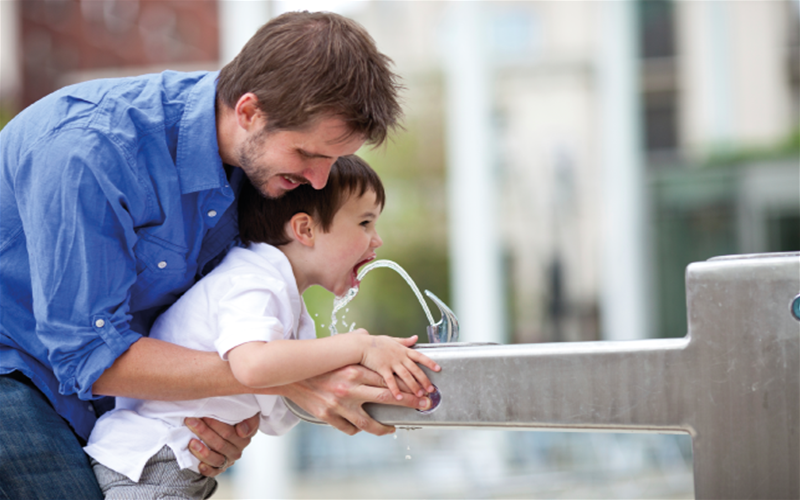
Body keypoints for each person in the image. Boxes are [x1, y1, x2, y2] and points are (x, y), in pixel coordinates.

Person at [0, 11, 435, 500]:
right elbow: (91, 357)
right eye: (308, 155)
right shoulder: (88, 151)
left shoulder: (257, 170)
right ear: (249, 112)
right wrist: (288, 376)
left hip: (114, 415)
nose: (318, 181)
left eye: (333, 160)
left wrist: (221, 414)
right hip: (15, 374)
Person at [84, 155, 440, 499]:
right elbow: (252, 365)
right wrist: (360, 347)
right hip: (153, 459)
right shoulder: (252, 280)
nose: (376, 240)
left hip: (176, 461)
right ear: (305, 229)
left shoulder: (281, 295)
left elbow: (278, 418)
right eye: (365, 223)